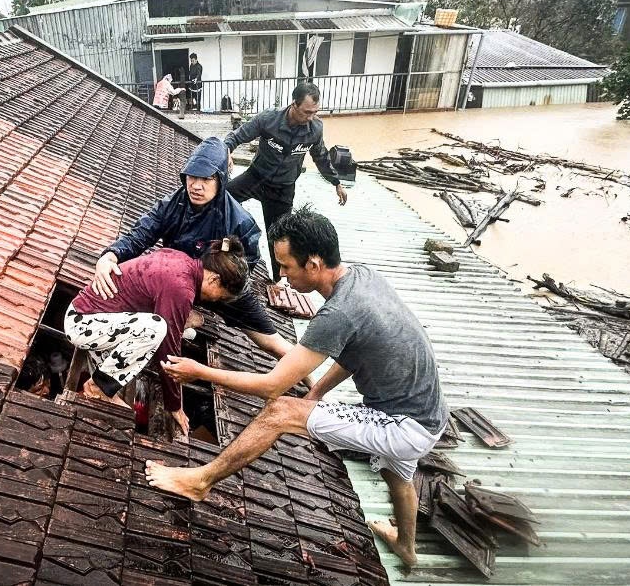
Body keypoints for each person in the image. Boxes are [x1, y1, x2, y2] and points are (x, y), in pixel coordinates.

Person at [145, 206, 447, 569]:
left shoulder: (339, 313)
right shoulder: (364, 277)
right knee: (396, 471)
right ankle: (406, 547)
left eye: (286, 267)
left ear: (314, 264)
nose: (282, 277)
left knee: (281, 412)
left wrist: (200, 371)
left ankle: (200, 481)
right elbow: (355, 354)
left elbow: (272, 386)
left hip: (406, 424)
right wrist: (316, 394)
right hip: (429, 413)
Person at [93, 137, 294, 361]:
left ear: (221, 179)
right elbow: (140, 234)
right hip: (182, 283)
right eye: (192, 177)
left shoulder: (240, 222)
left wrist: (220, 285)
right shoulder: (171, 205)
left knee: (273, 343)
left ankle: (313, 386)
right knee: (131, 296)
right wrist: (110, 255)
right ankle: (188, 315)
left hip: (223, 289)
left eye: (206, 179)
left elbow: (246, 268)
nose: (196, 186)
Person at [66, 237, 249, 438]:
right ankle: (98, 386)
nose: (215, 300)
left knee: (179, 330)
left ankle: (103, 383)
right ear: (214, 279)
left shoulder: (181, 260)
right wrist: (174, 404)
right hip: (83, 324)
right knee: (157, 328)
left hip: (97, 319)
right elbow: (168, 351)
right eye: (221, 296)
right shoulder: (181, 288)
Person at [224, 82, 348, 279]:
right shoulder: (269, 119)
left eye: (315, 112)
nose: (310, 117)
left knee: (280, 238)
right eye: (306, 112)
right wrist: (227, 151)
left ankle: (278, 280)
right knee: (220, 199)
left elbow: (321, 157)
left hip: (283, 188)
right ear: (294, 104)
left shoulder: (315, 128)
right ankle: (225, 248)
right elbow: (238, 135)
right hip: (257, 177)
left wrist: (336, 182)